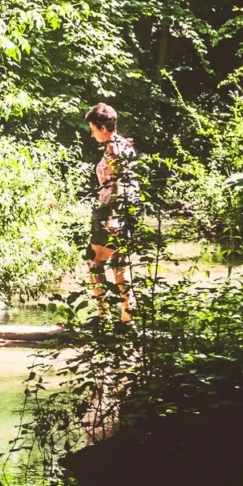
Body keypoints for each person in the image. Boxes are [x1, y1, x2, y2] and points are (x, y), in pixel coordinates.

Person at [85, 102, 138, 322]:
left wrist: (113, 216)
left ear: (103, 128)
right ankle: (127, 318)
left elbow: (118, 184)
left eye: (93, 129)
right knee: (120, 264)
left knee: (93, 261)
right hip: (128, 212)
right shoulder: (125, 145)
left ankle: (103, 315)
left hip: (112, 213)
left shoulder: (114, 150)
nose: (92, 134)